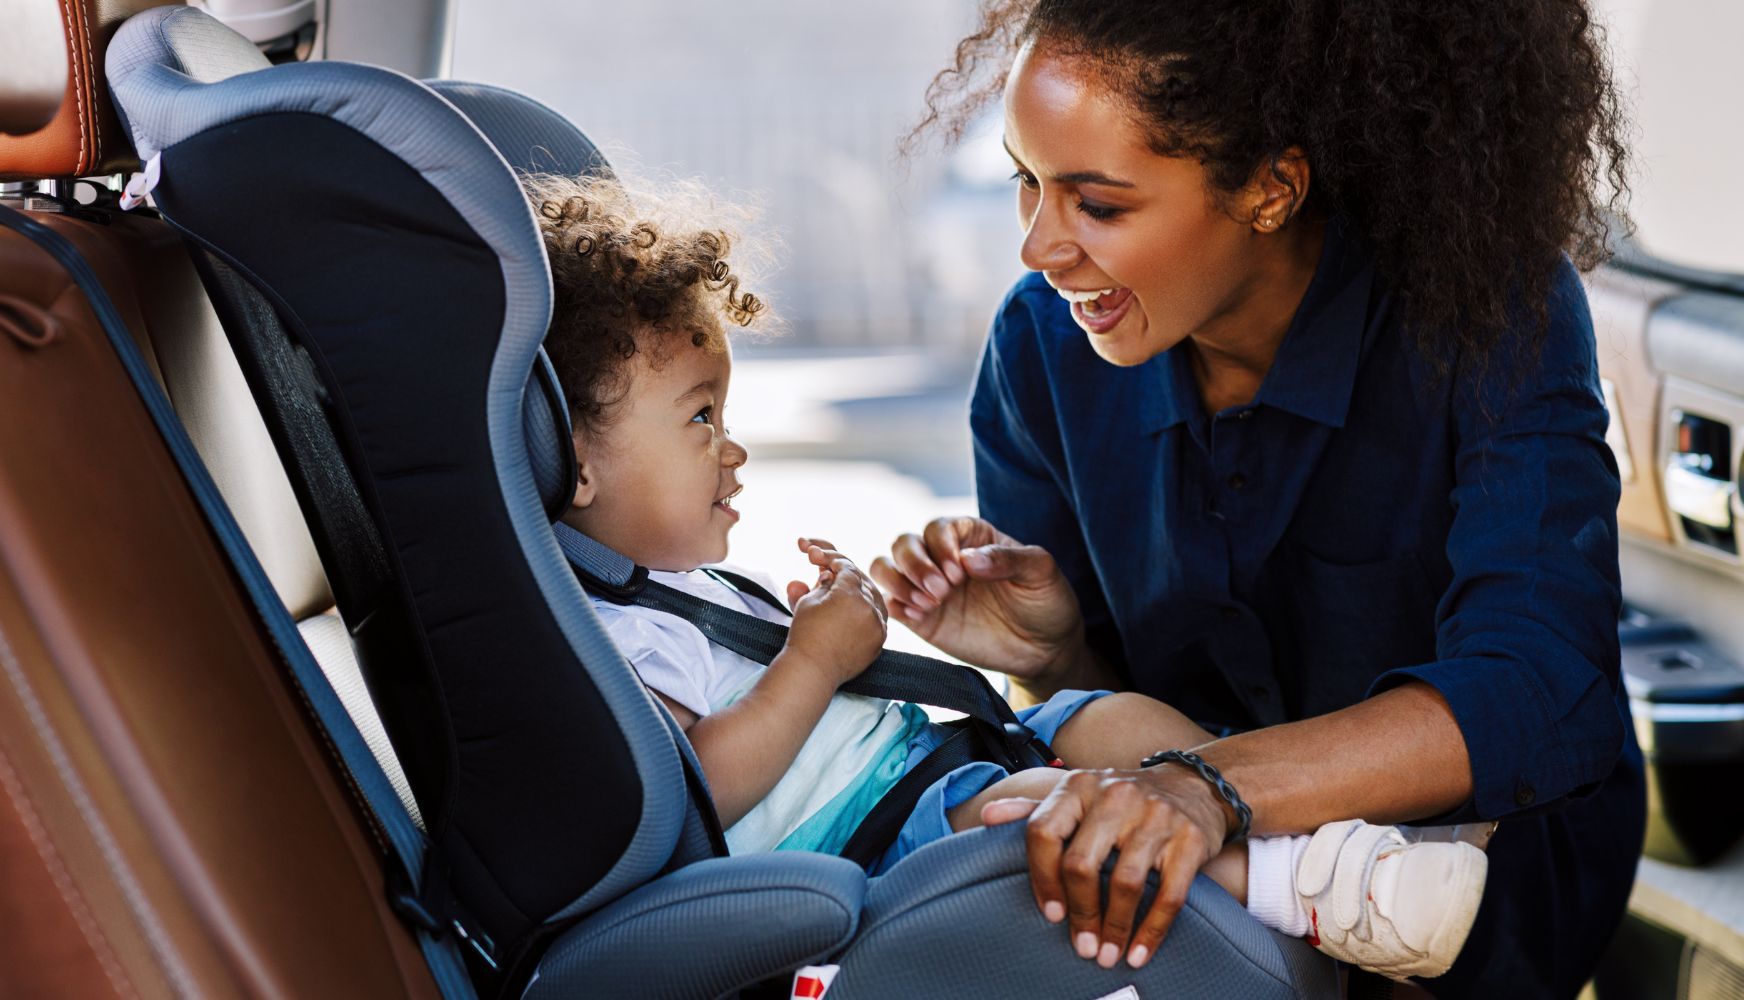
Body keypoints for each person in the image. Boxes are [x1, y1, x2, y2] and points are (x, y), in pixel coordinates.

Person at [527, 171, 1492, 981]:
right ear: (574, 460)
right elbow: (698, 791)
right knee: (1053, 809)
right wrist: (813, 662)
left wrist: (820, 629)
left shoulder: (680, 592)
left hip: (935, 765)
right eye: (701, 420)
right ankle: (1315, 892)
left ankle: (1327, 842)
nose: (732, 451)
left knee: (1102, 716)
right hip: (879, 833)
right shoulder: (605, 637)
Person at [870, 0, 1644, 996]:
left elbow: (1537, 690)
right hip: (1199, 859)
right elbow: (1120, 719)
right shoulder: (1042, 350)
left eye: (1096, 204)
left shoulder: (1486, 310)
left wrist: (1209, 789)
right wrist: (1054, 653)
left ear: (1272, 190)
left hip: (1478, 882)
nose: (1038, 247)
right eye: (1028, 183)